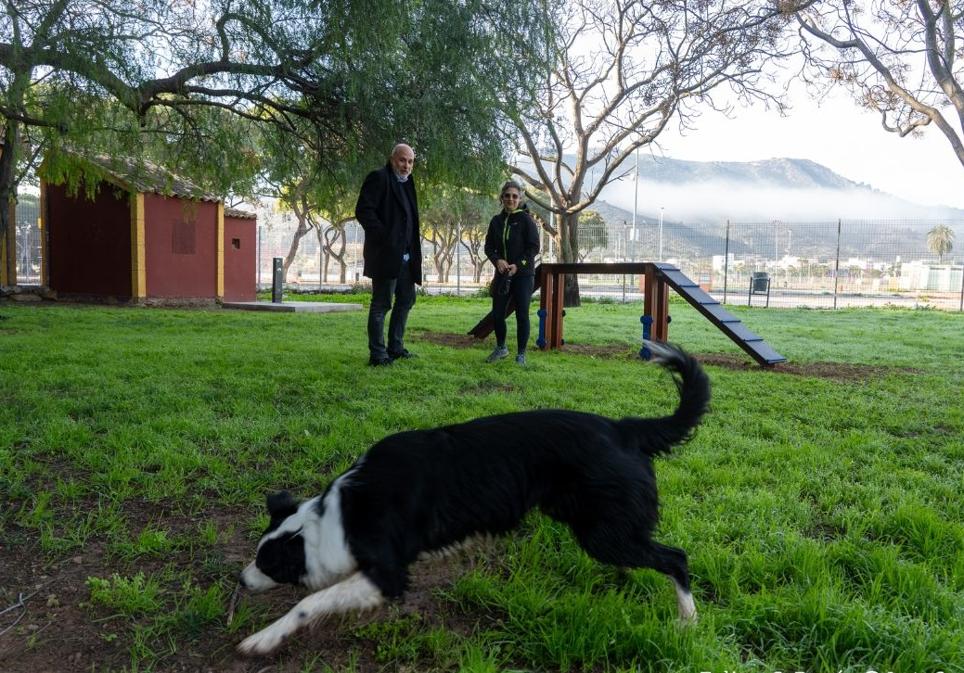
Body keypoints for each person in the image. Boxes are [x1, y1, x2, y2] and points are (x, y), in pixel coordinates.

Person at [355, 144, 422, 366]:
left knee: (407, 299)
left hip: (406, 258)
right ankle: (378, 354)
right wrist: (385, 237)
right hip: (385, 255)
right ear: (392, 159)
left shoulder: (407, 183)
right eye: (403, 160)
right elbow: (363, 210)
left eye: (410, 162)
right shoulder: (379, 178)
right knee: (381, 304)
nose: (407, 166)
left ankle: (395, 347)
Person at [483, 180, 540, 365]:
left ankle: (521, 354)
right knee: (497, 313)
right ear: (502, 198)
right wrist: (497, 260)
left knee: (522, 314)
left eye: (515, 196)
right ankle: (501, 348)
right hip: (502, 274)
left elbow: (533, 247)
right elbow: (488, 247)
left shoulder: (526, 220)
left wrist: (518, 265)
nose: (511, 199)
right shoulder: (496, 221)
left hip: (523, 275)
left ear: (520, 198)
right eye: (507, 195)